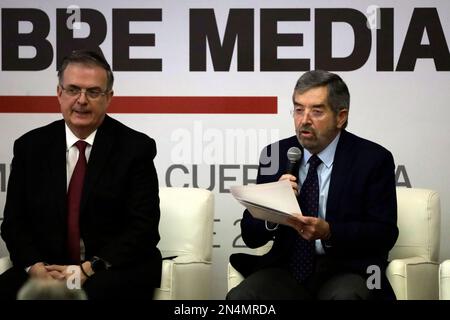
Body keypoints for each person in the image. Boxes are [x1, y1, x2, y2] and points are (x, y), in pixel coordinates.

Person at [0, 50, 162, 300]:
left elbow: (143, 228)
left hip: (109, 268)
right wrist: (35, 268)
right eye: (73, 89)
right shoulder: (29, 147)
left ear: (109, 97)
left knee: (96, 293)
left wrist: (86, 270)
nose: (82, 100)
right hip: (49, 268)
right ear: (59, 93)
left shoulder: (135, 148)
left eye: (93, 92)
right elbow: (14, 223)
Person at [227, 70, 398, 300]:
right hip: (286, 268)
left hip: (347, 269)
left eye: (316, 111)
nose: (304, 120)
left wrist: (329, 232)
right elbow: (250, 235)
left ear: (341, 117)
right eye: (298, 109)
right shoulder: (275, 155)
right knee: (241, 299)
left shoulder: (373, 159)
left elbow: (384, 234)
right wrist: (273, 206)